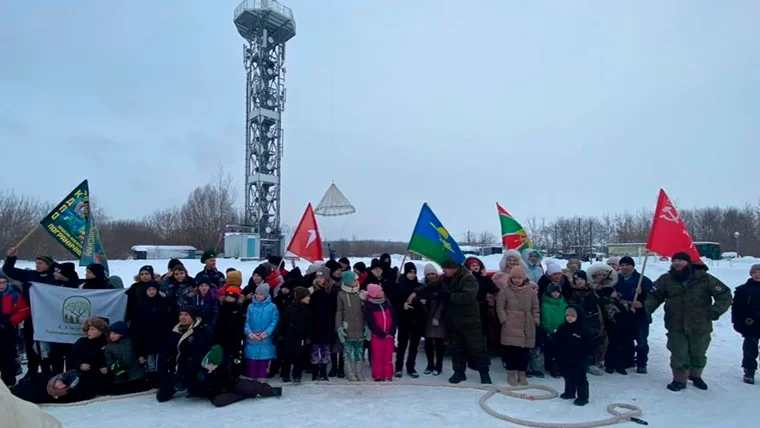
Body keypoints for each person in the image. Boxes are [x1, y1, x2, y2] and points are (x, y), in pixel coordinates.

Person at [645, 251, 732, 391]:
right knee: (679, 353)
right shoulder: (666, 279)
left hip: (700, 324)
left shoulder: (705, 279)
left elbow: (725, 295)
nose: (677, 263)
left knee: (698, 352)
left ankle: (696, 376)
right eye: (674, 261)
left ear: (688, 263)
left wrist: (714, 311)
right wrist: (646, 309)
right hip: (675, 324)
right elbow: (654, 296)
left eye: (681, 261)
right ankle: (679, 379)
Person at [408, 258, 492, 384]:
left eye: (445, 269)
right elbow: (430, 285)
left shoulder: (468, 278)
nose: (443, 271)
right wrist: (415, 293)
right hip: (453, 319)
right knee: (456, 347)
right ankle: (459, 372)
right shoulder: (444, 278)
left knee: (476, 347)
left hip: (470, 319)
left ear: (453, 268)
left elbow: (468, 297)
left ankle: (484, 373)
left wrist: (447, 295)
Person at [3, 247, 61, 380]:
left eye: (40, 263)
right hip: (31, 315)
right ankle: (32, 370)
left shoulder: (55, 277)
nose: (37, 266)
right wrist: (11, 258)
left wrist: (56, 268)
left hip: (49, 316)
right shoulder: (30, 275)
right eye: (36, 263)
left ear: (48, 265)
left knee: (48, 345)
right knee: (30, 344)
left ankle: (48, 369)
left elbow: (71, 278)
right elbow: (8, 271)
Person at [156, 305, 211, 403]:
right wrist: (164, 371)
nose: (182, 317)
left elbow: (198, 355)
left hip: (191, 370)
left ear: (193, 317)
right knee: (161, 397)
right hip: (174, 369)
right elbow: (165, 352)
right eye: (181, 314)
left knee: (199, 392)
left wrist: (183, 373)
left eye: (186, 315)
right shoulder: (174, 331)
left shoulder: (200, 332)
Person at [495, 265, 539, 386]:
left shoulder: (531, 291)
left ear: (524, 278)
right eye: (514, 277)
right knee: (512, 352)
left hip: (527, 324)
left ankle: (522, 374)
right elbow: (500, 306)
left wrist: (535, 320)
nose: (516, 280)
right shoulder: (505, 290)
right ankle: (511, 374)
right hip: (511, 324)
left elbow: (535, 307)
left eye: (519, 278)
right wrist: (504, 319)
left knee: (524, 352)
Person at [614, 256, 653, 374]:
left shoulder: (643, 280)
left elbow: (653, 298)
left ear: (633, 266)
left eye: (627, 265)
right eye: (622, 265)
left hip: (640, 316)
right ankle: (628, 360)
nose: (624, 267)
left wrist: (642, 301)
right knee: (626, 340)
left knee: (641, 341)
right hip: (624, 314)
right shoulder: (617, 279)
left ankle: (641, 363)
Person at [391, 262, 426, 378]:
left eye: (414, 272)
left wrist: (418, 302)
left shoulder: (418, 285)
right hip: (404, 319)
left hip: (417, 319)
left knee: (414, 345)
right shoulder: (399, 285)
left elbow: (423, 299)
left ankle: (411, 367)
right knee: (402, 345)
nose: (412, 275)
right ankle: (399, 367)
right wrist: (402, 305)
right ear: (405, 272)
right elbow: (395, 302)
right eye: (410, 272)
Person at [555, 305, 594, 406]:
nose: (569, 318)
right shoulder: (562, 328)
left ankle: (583, 397)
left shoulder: (584, 330)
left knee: (580, 378)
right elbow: (556, 342)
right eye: (567, 315)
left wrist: (588, 356)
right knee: (568, 376)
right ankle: (569, 392)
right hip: (565, 357)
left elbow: (590, 344)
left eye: (572, 315)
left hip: (580, 359)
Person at [243, 284, 279, 381]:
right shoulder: (250, 307)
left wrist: (266, 333)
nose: (258, 296)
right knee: (251, 363)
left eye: (261, 294)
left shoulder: (272, 307)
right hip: (252, 339)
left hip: (266, 340)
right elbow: (246, 321)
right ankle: (251, 384)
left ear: (266, 295)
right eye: (257, 294)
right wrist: (250, 333)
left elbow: (274, 321)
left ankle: (261, 383)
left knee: (263, 364)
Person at [335, 271, 367, 381]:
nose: (357, 282)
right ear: (348, 282)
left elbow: (366, 311)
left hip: (360, 329)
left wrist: (367, 326)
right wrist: (339, 327)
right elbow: (339, 311)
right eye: (354, 280)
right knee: (347, 353)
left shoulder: (361, 293)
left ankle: (359, 372)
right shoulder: (341, 294)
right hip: (347, 329)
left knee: (359, 352)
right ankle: (349, 373)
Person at [731, 264, 760, 384]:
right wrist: (737, 322)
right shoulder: (743, 290)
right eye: (755, 272)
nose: (757, 274)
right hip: (751, 323)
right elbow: (737, 308)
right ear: (751, 274)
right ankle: (749, 371)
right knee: (750, 349)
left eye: (759, 272)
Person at [104, 321, 149, 395]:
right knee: (119, 390)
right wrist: (118, 372)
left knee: (142, 386)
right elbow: (110, 362)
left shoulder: (131, 342)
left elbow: (139, 350)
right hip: (120, 374)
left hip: (135, 372)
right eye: (111, 333)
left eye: (115, 333)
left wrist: (141, 356)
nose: (112, 335)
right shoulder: (109, 347)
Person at [0, 273, 29, 386]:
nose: (2, 285)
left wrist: (12, 320)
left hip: (8, 328)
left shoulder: (14, 295)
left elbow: (24, 310)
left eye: (4, 282)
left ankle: (9, 381)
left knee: (8, 355)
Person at [278, 287, 313, 384]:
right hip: (289, 336)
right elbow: (283, 322)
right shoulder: (290, 308)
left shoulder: (307, 310)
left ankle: (297, 375)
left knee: (299, 357)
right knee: (287, 357)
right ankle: (285, 374)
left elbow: (309, 324)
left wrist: (308, 336)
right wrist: (280, 334)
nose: (308, 298)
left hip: (301, 337)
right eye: (307, 296)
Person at [364, 284, 397, 382]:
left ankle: (388, 374)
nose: (383, 292)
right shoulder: (369, 306)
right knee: (377, 356)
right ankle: (377, 375)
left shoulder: (387, 303)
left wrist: (392, 332)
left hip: (389, 335)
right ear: (375, 294)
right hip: (377, 335)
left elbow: (394, 318)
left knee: (388, 356)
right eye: (380, 291)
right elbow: (371, 323)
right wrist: (380, 333)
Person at [419, 263, 445, 376]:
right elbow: (418, 298)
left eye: (433, 273)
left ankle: (438, 366)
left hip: (439, 318)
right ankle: (430, 365)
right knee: (428, 343)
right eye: (428, 274)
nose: (431, 276)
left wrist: (437, 317)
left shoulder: (441, 285)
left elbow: (443, 302)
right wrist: (420, 302)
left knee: (439, 343)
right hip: (426, 318)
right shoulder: (422, 285)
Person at [540, 282, 567, 378]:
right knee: (551, 350)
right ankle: (551, 367)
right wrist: (547, 328)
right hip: (550, 330)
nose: (555, 294)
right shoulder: (544, 304)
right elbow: (544, 317)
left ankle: (560, 367)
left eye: (557, 292)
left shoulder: (564, 303)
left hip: (562, 330)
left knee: (561, 350)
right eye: (553, 292)